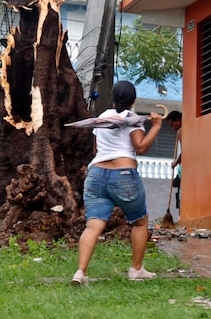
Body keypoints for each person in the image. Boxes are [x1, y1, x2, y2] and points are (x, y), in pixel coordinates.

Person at [72, 80, 163, 286]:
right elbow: (140, 147)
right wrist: (156, 126)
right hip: (123, 175)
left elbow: (97, 150)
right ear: (133, 101)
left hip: (96, 175)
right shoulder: (132, 118)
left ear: (113, 98)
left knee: (93, 225)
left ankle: (81, 272)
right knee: (140, 221)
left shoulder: (103, 117)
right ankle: (136, 270)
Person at [166, 110, 182, 212]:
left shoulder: (181, 131)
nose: (173, 128)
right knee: (176, 184)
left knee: (178, 186)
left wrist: (175, 163)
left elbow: (185, 151)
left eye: (173, 125)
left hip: (184, 167)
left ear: (178, 120)